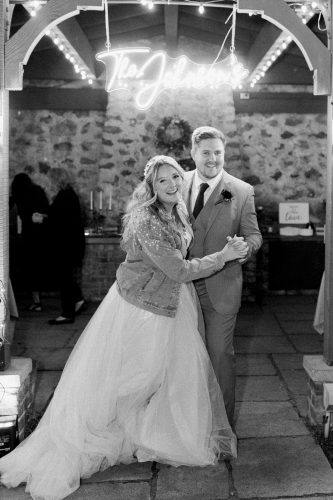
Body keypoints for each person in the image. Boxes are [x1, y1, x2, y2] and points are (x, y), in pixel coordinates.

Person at [0, 155, 247, 500]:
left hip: (172, 303)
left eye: (175, 177)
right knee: (136, 375)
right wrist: (223, 256)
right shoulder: (147, 219)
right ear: (151, 188)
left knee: (172, 374)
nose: (172, 184)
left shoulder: (175, 210)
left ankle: (151, 431)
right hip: (143, 307)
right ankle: (96, 429)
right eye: (162, 181)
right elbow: (177, 269)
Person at [183, 126, 263, 427]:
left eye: (218, 152)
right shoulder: (177, 184)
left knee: (219, 357)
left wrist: (245, 249)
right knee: (183, 358)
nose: (213, 159)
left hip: (222, 288)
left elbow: (254, 236)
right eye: (206, 153)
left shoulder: (241, 190)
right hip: (182, 286)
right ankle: (186, 427)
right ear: (193, 153)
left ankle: (221, 431)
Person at [45, 168, 86, 325]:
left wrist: (44, 220)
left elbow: (61, 223)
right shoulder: (68, 194)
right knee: (67, 277)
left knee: (65, 279)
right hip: (70, 244)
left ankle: (67, 314)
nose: (49, 182)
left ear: (57, 180)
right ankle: (79, 301)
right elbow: (61, 218)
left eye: (51, 179)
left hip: (67, 246)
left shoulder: (65, 196)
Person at [10, 172, 49, 311]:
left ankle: (36, 301)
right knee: (36, 268)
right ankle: (37, 301)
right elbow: (46, 210)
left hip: (28, 236)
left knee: (30, 269)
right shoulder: (37, 190)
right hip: (41, 234)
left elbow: (7, 206)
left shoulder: (18, 194)